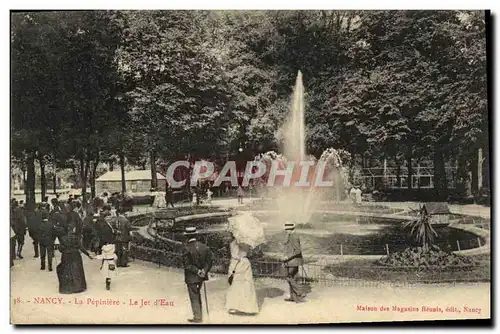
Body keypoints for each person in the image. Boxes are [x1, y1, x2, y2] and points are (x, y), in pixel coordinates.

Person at [183, 227, 213, 323]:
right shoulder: (204, 247)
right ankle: (199, 315)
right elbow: (209, 261)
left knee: (194, 295)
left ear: (187, 237)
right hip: (201, 277)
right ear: (196, 235)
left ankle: (198, 317)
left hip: (192, 277)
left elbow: (187, 265)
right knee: (197, 294)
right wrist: (204, 270)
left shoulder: (186, 248)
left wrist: (197, 271)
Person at [225, 236, 259, 315]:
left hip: (238, 262)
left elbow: (236, 254)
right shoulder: (244, 241)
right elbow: (246, 252)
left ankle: (239, 307)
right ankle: (245, 307)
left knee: (239, 284)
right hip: (242, 262)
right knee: (244, 284)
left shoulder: (237, 242)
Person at [56, 228, 94, 294]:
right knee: (76, 270)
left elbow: (60, 249)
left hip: (66, 256)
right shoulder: (76, 237)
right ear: (72, 230)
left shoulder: (62, 238)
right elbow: (81, 247)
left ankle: (67, 287)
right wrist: (88, 254)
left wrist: (62, 249)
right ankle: (78, 287)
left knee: (66, 271)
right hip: (75, 255)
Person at [283, 223, 306, 303]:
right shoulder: (290, 236)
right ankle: (293, 297)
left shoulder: (294, 236)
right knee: (293, 278)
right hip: (293, 261)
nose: (286, 231)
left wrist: (287, 257)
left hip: (293, 261)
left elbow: (298, 251)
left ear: (290, 229)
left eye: (287, 229)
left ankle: (300, 292)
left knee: (288, 277)